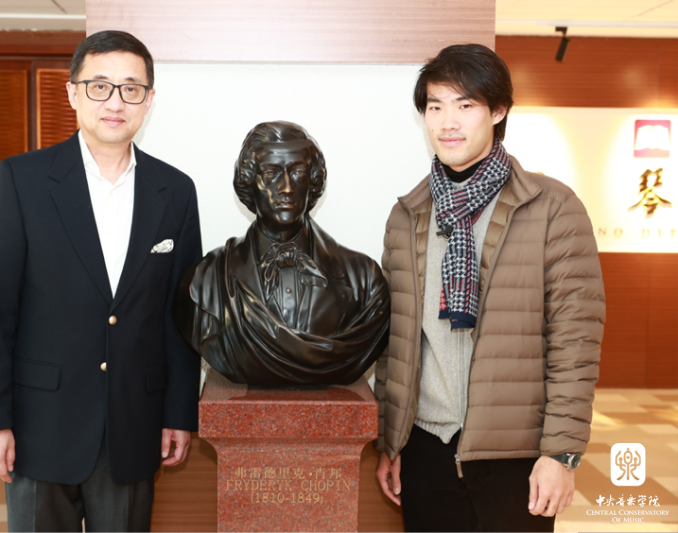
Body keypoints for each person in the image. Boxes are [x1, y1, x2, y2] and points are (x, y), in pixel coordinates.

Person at [0, 30, 202, 532]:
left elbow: (180, 316)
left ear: (149, 100)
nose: (115, 102)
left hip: (132, 427)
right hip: (39, 425)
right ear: (73, 93)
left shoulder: (176, 191)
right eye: (100, 86)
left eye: (131, 89)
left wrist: (179, 413)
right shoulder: (23, 180)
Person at [375, 44, 605, 532]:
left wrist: (561, 454)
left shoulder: (552, 208)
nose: (447, 122)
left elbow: (575, 344)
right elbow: (394, 343)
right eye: (435, 106)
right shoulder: (407, 215)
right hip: (426, 449)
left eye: (465, 105)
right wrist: (390, 442)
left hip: (516, 455)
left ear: (498, 111)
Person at [174, 121, 389, 387]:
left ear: (312, 182)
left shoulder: (365, 282)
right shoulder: (205, 282)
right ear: (249, 182)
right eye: (271, 173)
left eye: (298, 172)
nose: (286, 187)